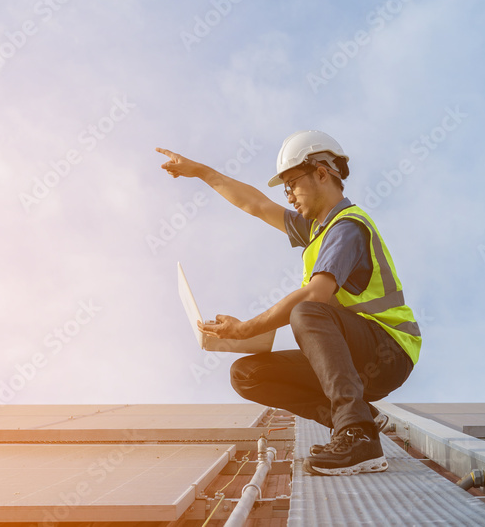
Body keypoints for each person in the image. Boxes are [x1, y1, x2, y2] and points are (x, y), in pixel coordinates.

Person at [156, 130, 421, 476]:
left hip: (389, 351)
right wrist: (202, 172)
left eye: (292, 183)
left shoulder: (347, 228)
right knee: (247, 375)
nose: (288, 195)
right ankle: (361, 417)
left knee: (307, 310)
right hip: (356, 356)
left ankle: (357, 436)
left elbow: (315, 296)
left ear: (322, 174)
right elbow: (256, 205)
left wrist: (246, 328)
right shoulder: (316, 230)